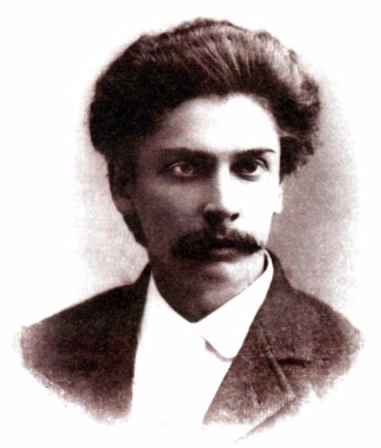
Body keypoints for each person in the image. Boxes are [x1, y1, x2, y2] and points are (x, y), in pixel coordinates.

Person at [20, 18, 360, 439]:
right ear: (123, 187)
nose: (223, 205)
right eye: (185, 168)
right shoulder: (36, 359)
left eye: (250, 167)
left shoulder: (354, 369)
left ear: (278, 187)